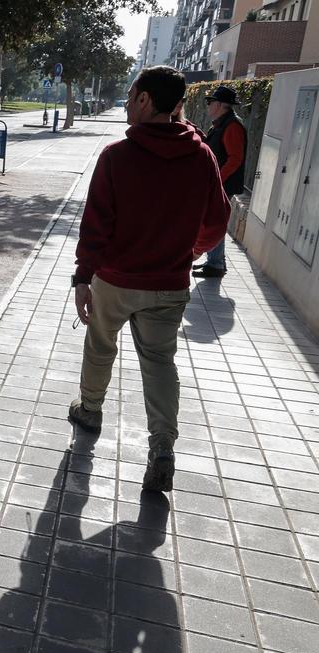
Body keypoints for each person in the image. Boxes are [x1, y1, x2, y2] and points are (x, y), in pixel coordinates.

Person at [68, 66, 229, 492]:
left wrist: (83, 276)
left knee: (101, 344)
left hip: (116, 280)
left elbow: (96, 226)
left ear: (144, 101)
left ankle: (89, 410)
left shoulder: (117, 156)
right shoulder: (202, 156)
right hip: (169, 284)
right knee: (159, 363)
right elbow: (217, 222)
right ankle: (162, 447)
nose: (125, 101)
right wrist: (190, 253)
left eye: (130, 93)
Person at [193, 85, 247, 278]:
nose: (208, 105)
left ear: (222, 105)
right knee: (214, 221)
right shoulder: (222, 123)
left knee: (214, 221)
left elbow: (235, 158)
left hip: (223, 184)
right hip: (220, 183)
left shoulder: (232, 125)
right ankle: (215, 262)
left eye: (211, 102)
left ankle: (215, 264)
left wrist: (217, 180)